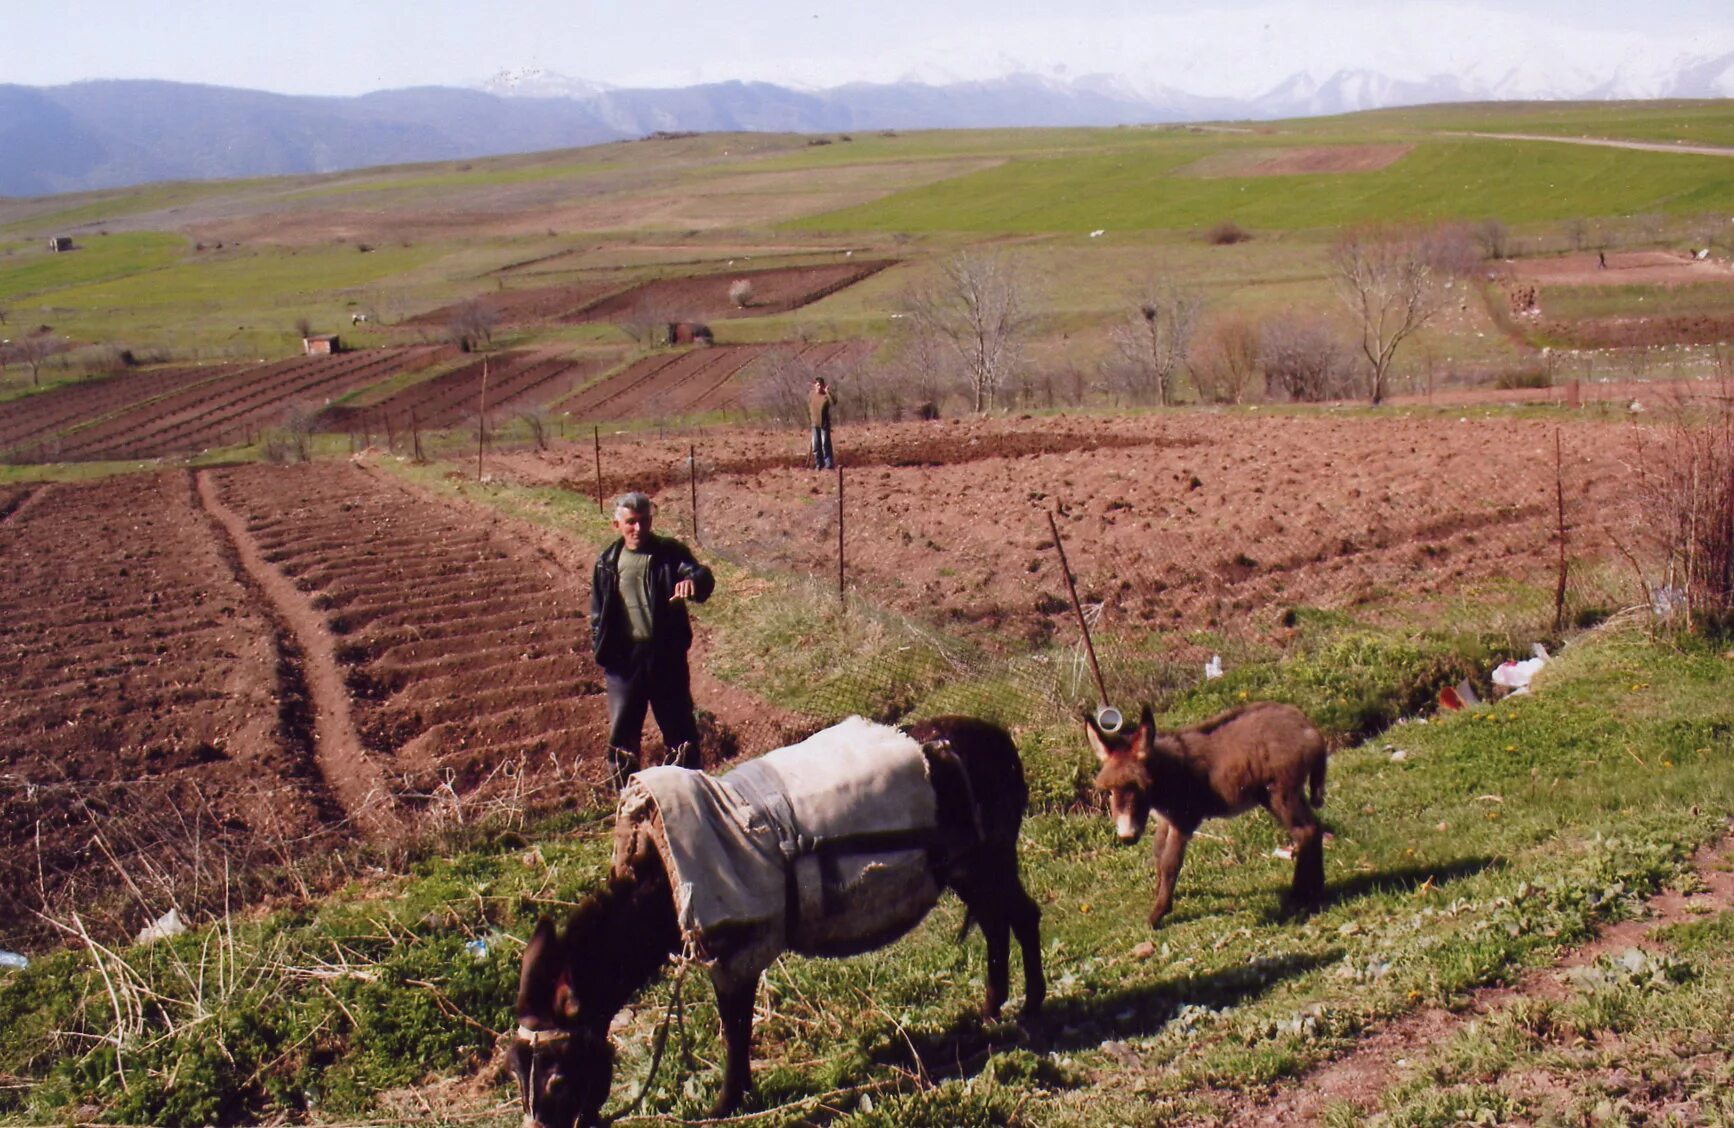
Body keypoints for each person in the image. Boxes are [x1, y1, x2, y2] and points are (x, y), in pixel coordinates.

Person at [589, 491, 715, 789]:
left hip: (665, 658)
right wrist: (603, 650)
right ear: (616, 525)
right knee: (623, 738)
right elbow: (597, 613)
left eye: (644, 521)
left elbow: (701, 575)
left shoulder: (669, 553)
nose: (638, 529)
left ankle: (690, 792)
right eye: (631, 522)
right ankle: (624, 801)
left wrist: (692, 582)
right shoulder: (606, 563)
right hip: (625, 662)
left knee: (680, 732)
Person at [807, 375, 836, 470]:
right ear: (815, 385)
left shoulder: (825, 396)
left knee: (825, 445)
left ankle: (828, 465)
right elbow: (809, 406)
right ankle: (819, 464)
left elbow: (833, 402)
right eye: (817, 385)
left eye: (821, 385)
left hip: (824, 424)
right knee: (816, 446)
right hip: (814, 424)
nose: (819, 387)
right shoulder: (811, 395)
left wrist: (828, 392)